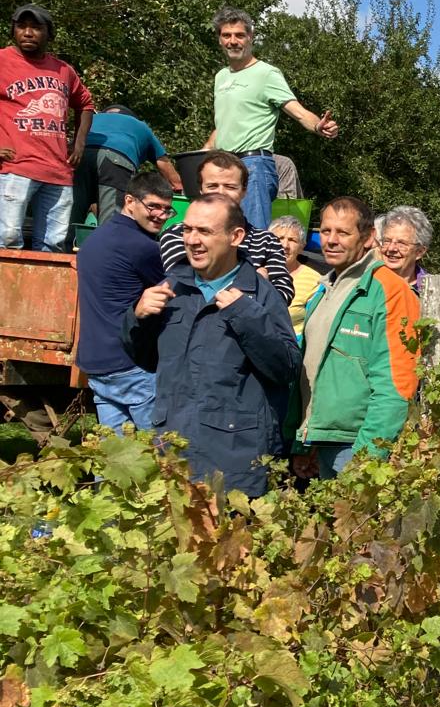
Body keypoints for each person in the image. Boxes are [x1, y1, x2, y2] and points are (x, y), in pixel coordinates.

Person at [122, 193, 300, 497]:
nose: (192, 240)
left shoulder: (260, 295)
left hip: (235, 460)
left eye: (204, 231)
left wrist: (244, 315)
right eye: (187, 230)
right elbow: (147, 359)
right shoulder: (172, 287)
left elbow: (286, 367)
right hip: (174, 451)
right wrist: (138, 317)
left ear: (236, 236)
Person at [290, 196, 420, 478]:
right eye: (325, 231)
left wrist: (367, 457)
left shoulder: (390, 291)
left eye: (343, 232)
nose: (331, 240)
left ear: (368, 237)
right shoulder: (325, 288)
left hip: (355, 445)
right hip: (322, 438)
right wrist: (304, 440)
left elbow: (397, 383)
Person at [206, 7, 338, 230]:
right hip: (223, 167)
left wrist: (317, 125)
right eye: (226, 35)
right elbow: (224, 125)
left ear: (250, 37)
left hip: (253, 166)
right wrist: (199, 157)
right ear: (219, 39)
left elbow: (298, 111)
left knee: (253, 237)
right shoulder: (221, 77)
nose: (233, 41)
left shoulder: (266, 73)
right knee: (222, 233)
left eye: (239, 35)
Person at [73, 172, 176, 430]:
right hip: (130, 363)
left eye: (167, 209)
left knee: (114, 460)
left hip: (95, 362)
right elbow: (173, 296)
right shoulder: (141, 246)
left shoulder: (95, 239)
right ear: (130, 201)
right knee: (162, 453)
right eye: (153, 206)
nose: (161, 216)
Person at [0, 3, 94, 251]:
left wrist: (79, 143)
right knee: (8, 238)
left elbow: (85, 103)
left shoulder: (63, 70)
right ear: (13, 31)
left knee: (53, 245)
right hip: (15, 167)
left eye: (36, 27)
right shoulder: (2, 61)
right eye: (22, 26)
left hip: (57, 171)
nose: (28, 33)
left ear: (49, 34)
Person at [158, 152, 293, 304]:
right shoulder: (178, 234)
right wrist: (258, 279)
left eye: (230, 186)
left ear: (244, 191)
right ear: (201, 190)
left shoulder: (267, 241)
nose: (220, 192)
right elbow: (185, 286)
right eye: (212, 186)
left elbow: (283, 295)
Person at [376, 205, 440, 381]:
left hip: (414, 384)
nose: (391, 248)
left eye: (401, 243)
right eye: (386, 240)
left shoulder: (432, 292)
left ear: (420, 251)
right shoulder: (369, 283)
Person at [70, 104, 181, 227]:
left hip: (80, 156)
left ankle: (65, 244)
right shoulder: (140, 126)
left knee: (70, 216)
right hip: (114, 162)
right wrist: (181, 188)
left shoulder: (93, 118)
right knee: (111, 224)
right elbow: (166, 168)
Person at [267, 215, 322, 335]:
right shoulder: (254, 272)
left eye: (292, 240)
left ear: (302, 246)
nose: (285, 245)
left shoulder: (314, 280)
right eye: (279, 238)